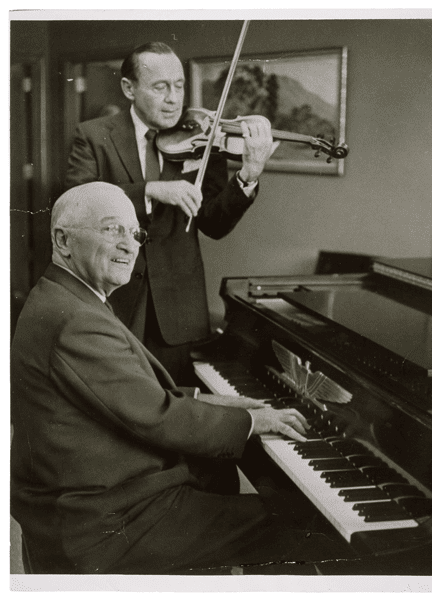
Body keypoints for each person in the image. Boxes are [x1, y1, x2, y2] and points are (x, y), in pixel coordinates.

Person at [11, 182, 338, 575]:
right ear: (63, 240)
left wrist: (214, 401)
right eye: (111, 229)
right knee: (301, 523)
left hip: (92, 496)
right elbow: (156, 416)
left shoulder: (66, 297)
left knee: (222, 474)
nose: (129, 245)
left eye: (135, 234)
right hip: (105, 522)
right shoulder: (76, 320)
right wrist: (253, 421)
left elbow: (129, 394)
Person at [65, 41, 274, 384]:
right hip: (113, 300)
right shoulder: (93, 135)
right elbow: (76, 203)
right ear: (129, 88)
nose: (174, 99)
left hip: (177, 310)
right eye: (160, 87)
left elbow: (214, 223)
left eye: (179, 86)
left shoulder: (203, 137)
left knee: (175, 403)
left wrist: (248, 174)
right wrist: (150, 189)